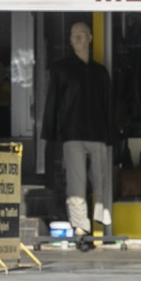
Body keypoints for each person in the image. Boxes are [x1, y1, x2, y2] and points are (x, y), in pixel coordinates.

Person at [45, 21, 115, 249]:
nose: (76, 40)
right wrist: (51, 133)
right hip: (72, 133)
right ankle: (80, 229)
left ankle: (102, 223)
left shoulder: (99, 72)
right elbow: (53, 102)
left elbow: (108, 106)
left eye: (81, 35)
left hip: (98, 133)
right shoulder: (62, 69)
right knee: (76, 183)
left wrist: (111, 134)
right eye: (73, 36)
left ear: (90, 38)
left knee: (101, 180)